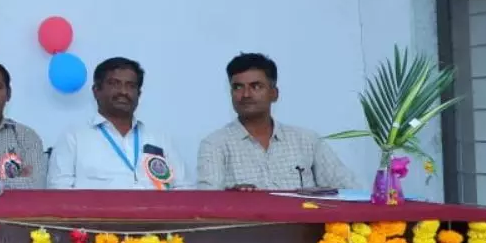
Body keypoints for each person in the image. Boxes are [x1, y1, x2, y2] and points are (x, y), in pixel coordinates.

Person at [195, 52, 358, 190]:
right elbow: (207, 202)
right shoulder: (215, 144)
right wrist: (231, 197)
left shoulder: (307, 141)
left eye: (256, 86)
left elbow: (349, 189)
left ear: (274, 94)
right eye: (238, 87)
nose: (246, 94)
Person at [51, 57, 186, 189]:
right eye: (114, 84)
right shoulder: (74, 137)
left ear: (139, 94)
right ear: (96, 91)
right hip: (97, 205)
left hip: (156, 205)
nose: (123, 91)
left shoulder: (160, 139)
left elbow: (184, 188)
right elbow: (59, 192)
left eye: (131, 86)